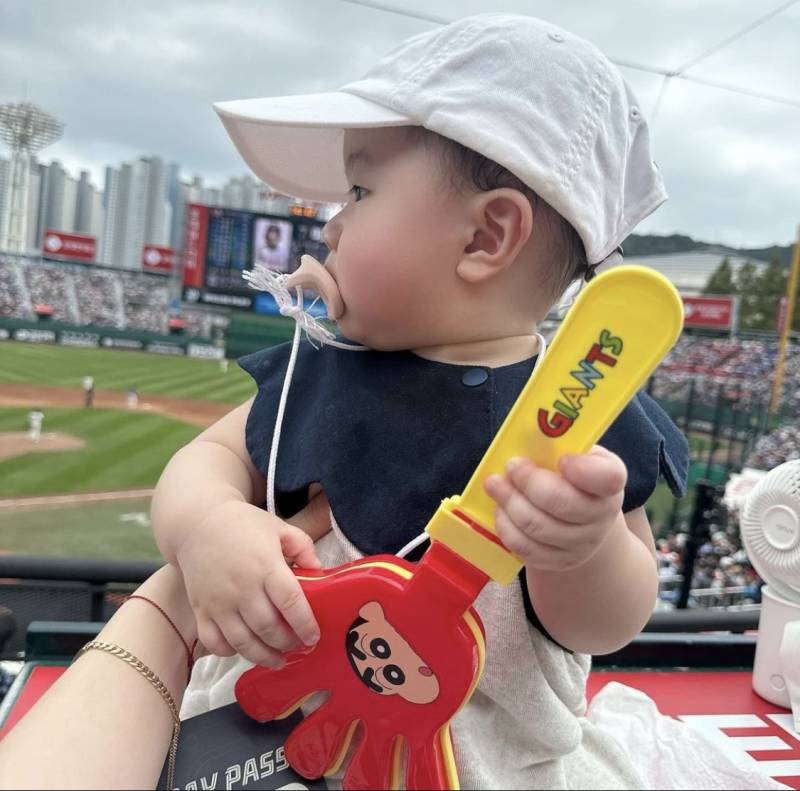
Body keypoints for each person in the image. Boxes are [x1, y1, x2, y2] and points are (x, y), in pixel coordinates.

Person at [148, 14, 763, 790]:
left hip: (489, 768)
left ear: (486, 237)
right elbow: (205, 459)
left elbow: (603, 625)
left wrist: (586, 545)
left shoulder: (580, 420)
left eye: (361, 189)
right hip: (269, 747)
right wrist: (210, 523)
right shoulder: (322, 370)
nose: (331, 225)